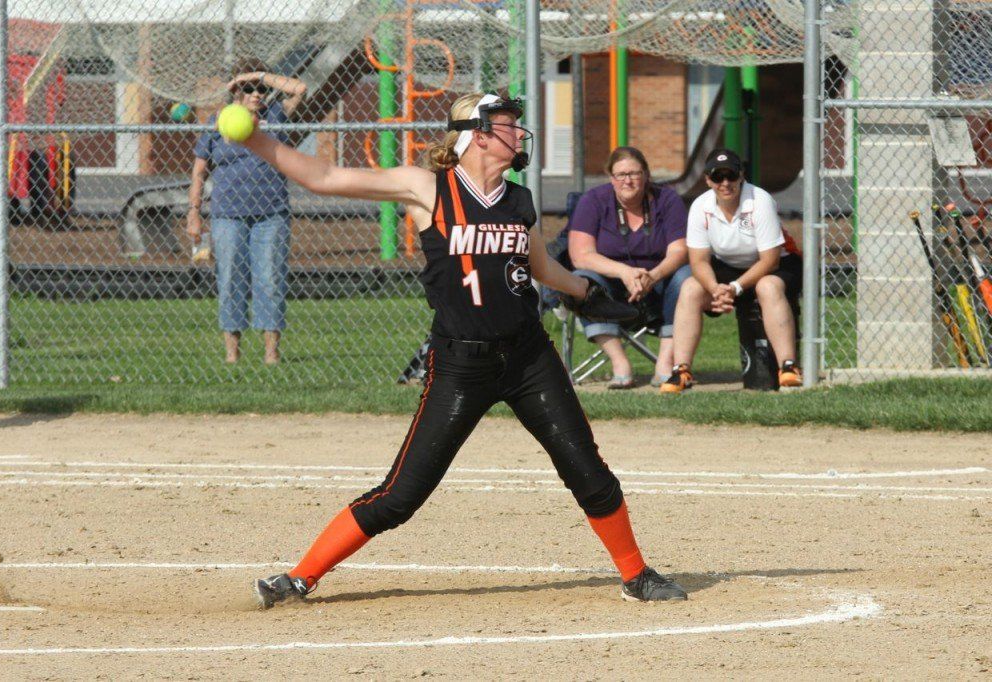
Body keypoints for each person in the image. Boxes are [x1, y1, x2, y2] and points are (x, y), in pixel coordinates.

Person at [236, 92, 688, 607]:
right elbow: (323, 177)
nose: (519, 133)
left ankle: (636, 575)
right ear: (476, 133)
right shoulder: (427, 187)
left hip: (528, 358)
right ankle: (299, 578)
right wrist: (254, 137)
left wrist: (590, 296)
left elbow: (543, 269)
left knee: (586, 469)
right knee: (400, 496)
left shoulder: (519, 200)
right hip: (460, 364)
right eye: (508, 125)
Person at [186, 58, 307, 364]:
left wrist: (256, 75)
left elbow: (300, 88)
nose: (257, 94)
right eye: (249, 89)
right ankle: (232, 354)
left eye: (261, 89)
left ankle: (271, 353)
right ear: (236, 92)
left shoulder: (277, 115)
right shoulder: (219, 121)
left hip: (271, 214)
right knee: (229, 280)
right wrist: (193, 212)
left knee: (270, 279)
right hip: (227, 215)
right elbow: (199, 172)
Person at [660, 148, 803, 393]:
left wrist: (735, 288)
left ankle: (787, 367)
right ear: (707, 180)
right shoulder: (700, 206)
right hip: (729, 266)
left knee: (767, 286)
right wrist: (715, 289)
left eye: (731, 176)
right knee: (691, 287)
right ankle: (680, 371)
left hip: (779, 263)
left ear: (741, 176)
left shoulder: (759, 200)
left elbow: (770, 261)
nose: (725, 183)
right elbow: (699, 261)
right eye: (717, 177)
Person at [567, 146, 691, 388]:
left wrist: (653, 276)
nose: (628, 180)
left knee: (687, 278)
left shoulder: (667, 200)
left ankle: (665, 364)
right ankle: (620, 364)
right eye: (621, 175)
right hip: (610, 291)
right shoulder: (593, 201)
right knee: (581, 279)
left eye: (634, 173)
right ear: (611, 178)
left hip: (659, 286)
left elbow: (680, 250)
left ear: (646, 175)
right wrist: (624, 272)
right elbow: (581, 255)